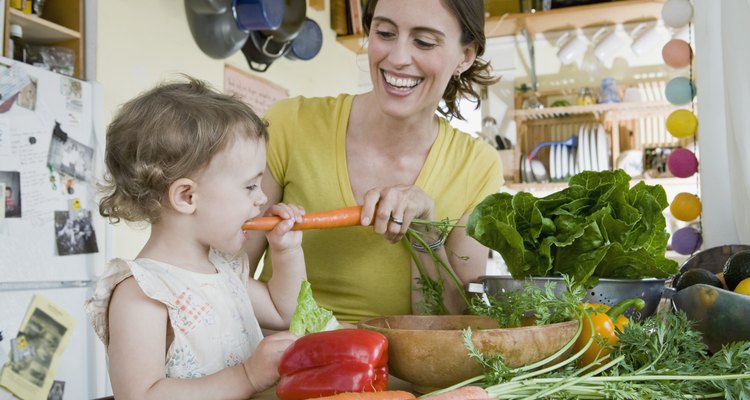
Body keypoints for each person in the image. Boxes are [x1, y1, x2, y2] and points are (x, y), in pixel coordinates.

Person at [245, 0, 503, 323]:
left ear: (464, 56)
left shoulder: (477, 167)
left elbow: (451, 326)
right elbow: (226, 274)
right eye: (384, 32)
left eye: (423, 41)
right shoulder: (289, 124)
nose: (397, 58)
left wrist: (426, 234)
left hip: (397, 372)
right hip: (284, 362)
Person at [85, 77, 307, 399]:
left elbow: (283, 312)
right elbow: (141, 396)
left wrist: (286, 252)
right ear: (187, 196)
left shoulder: (225, 271)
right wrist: (247, 376)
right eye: (249, 186)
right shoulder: (143, 293)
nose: (261, 199)